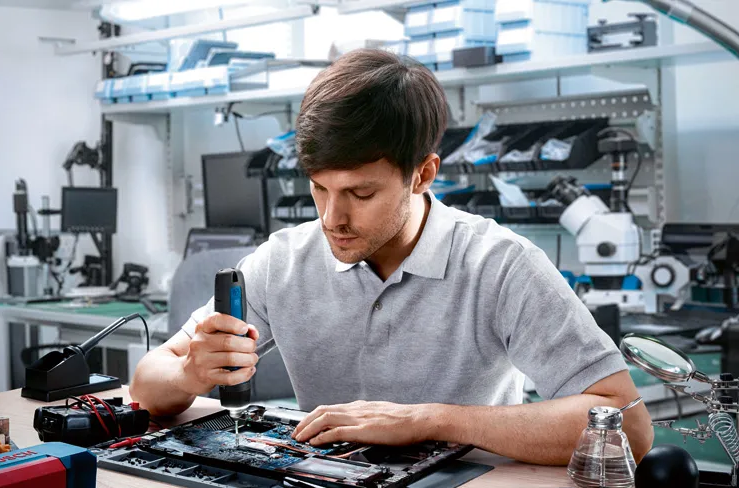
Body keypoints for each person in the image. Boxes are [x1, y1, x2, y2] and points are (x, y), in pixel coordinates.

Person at [131, 49, 653, 465]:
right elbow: (146, 383)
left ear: (422, 175)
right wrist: (192, 375)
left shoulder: (501, 265)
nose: (332, 218)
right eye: (319, 189)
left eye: (360, 194)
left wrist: (429, 420)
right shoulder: (281, 261)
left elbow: (628, 424)